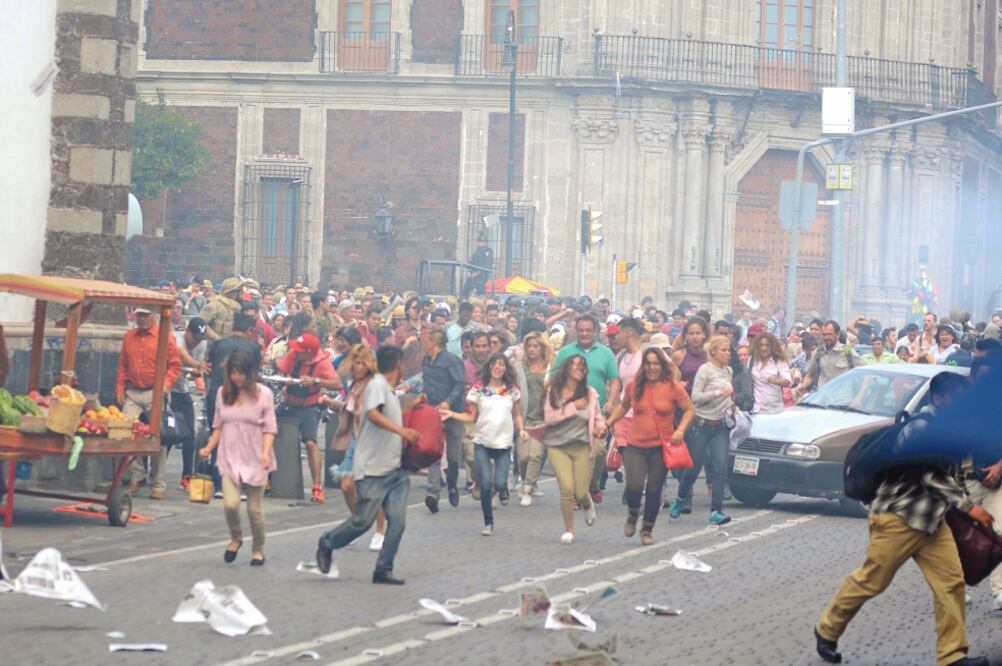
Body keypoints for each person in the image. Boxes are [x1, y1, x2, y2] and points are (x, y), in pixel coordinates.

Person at [814, 372, 991, 666]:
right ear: (938, 400)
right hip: (899, 518)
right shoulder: (920, 428)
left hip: (932, 521)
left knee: (951, 584)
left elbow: (952, 473)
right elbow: (930, 474)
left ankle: (952, 656)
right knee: (871, 581)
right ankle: (827, 629)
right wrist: (969, 507)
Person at [315, 345, 420, 585]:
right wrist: (402, 431)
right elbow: (373, 414)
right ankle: (327, 542)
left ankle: (383, 568)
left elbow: (387, 413)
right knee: (363, 520)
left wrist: (411, 407)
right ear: (399, 364)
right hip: (373, 468)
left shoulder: (388, 390)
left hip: (395, 468)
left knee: (398, 521)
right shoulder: (376, 385)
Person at [606, 347, 694, 545]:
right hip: (635, 445)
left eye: (656, 364)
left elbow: (689, 410)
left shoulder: (673, 387)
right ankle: (633, 513)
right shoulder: (634, 385)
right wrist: (607, 423)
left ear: (662, 366)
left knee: (654, 490)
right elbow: (623, 406)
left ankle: (647, 529)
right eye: (648, 364)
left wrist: (680, 430)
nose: (652, 368)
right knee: (634, 486)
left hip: (660, 446)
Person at [198, 350, 276, 566]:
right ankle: (236, 537)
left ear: (250, 373)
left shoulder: (264, 394)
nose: (237, 377)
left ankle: (258, 549)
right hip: (229, 455)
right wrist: (209, 447)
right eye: (233, 372)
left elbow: (270, 428)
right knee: (230, 504)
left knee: (254, 510)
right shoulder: (223, 393)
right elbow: (218, 425)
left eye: (241, 373)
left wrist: (265, 452)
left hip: (256, 455)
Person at [442, 353, 526, 536]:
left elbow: (517, 414)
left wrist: (522, 429)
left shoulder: (511, 391)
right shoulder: (479, 390)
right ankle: (488, 522)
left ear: (506, 368)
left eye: (501, 364)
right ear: (489, 367)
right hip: (482, 442)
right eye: (494, 364)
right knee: (486, 483)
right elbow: (470, 416)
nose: (497, 367)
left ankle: (502, 489)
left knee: (499, 482)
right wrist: (452, 415)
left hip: (503, 444)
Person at [551, 314, 621, 504]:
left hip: (597, 412)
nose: (584, 334)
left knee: (598, 451)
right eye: (581, 330)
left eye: (588, 330)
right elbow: (554, 378)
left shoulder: (605, 353)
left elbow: (614, 380)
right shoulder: (566, 352)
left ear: (595, 331)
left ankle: (593, 486)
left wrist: (612, 401)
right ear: (576, 331)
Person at [669, 335, 735, 526]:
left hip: (720, 426)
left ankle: (716, 511)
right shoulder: (705, 370)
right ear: (713, 352)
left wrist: (732, 406)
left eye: (729, 350)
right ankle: (680, 498)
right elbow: (696, 398)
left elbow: (728, 397)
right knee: (693, 467)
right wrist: (718, 393)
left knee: (720, 466)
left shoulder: (728, 371)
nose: (728, 353)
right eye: (724, 350)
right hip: (701, 425)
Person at [119, 306, 182, 499]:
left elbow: (174, 366)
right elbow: (123, 365)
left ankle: (159, 482)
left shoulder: (165, 336)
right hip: (133, 391)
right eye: (139, 315)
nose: (142, 319)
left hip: (155, 392)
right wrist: (120, 387)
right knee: (126, 431)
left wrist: (166, 385)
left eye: (145, 315)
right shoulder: (129, 337)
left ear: (153, 316)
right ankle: (137, 476)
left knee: (157, 437)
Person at [542, 355, 606, 544]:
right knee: (566, 489)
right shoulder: (554, 391)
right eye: (575, 365)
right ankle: (569, 529)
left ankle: (586, 502)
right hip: (557, 446)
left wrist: (601, 427)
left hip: (582, 446)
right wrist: (572, 407)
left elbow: (597, 417)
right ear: (566, 368)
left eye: (582, 366)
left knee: (580, 492)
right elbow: (549, 418)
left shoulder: (590, 393)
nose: (579, 368)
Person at [277, 333, 343, 503]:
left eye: (299, 350)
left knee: (310, 442)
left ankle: (316, 486)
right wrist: (285, 380)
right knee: (272, 435)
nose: (295, 352)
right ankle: (271, 479)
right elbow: (281, 369)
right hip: (289, 402)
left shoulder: (322, 362)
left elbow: (337, 384)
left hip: (309, 406)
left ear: (309, 353)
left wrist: (315, 381)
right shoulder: (294, 354)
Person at [333, 344, 386, 553]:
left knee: (372, 489)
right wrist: (331, 402)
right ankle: (358, 524)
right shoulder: (353, 385)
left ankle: (380, 531)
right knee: (347, 486)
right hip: (356, 439)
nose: (359, 367)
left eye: (363, 363)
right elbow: (349, 408)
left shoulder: (376, 385)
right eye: (356, 363)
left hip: (373, 440)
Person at [205, 313, 262, 496]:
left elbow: (209, 369)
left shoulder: (218, 345)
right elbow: (255, 375)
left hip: (217, 395)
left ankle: (219, 484)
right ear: (249, 330)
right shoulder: (253, 348)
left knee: (218, 437)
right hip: (241, 396)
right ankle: (241, 484)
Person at [420, 330, 466, 512]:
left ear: (434, 343)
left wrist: (448, 401)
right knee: (433, 451)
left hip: (452, 412)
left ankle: (452, 484)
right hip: (433, 411)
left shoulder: (451, 361)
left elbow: (460, 384)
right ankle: (433, 492)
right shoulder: (426, 360)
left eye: (426, 340)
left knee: (453, 456)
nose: (424, 343)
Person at [514, 331, 552, 505]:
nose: (531, 349)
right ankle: (528, 480)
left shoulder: (550, 367)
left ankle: (528, 487)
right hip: (523, 417)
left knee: (536, 455)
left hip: (541, 419)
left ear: (542, 347)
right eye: (528, 346)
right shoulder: (519, 366)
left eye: (535, 346)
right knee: (523, 457)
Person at [173, 317, 209, 490]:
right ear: (187, 332)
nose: (196, 342)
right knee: (168, 433)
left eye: (199, 338)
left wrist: (197, 372)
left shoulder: (202, 344)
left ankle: (187, 475)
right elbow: (182, 354)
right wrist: (197, 365)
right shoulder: (177, 338)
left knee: (188, 433)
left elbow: (196, 372)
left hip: (182, 389)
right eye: (194, 337)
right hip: (167, 389)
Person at [799, 321, 865, 395]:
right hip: (823, 397)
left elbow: (865, 373)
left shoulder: (848, 352)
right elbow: (811, 375)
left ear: (838, 335)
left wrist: (860, 395)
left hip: (842, 399)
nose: (826, 337)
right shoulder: (818, 353)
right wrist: (802, 387)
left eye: (829, 334)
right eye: (824, 334)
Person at [749, 332, 792, 414]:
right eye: (761, 345)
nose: (764, 348)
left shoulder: (779, 362)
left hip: (774, 410)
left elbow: (788, 381)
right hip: (755, 409)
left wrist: (776, 380)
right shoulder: (752, 361)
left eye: (767, 345)